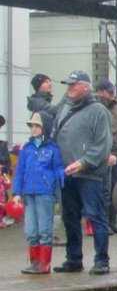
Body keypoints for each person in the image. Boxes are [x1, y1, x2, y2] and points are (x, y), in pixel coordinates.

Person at [49, 71, 112, 275]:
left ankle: (102, 260)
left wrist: (84, 162)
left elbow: (103, 145)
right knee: (69, 218)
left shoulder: (98, 111)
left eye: (73, 85)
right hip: (67, 175)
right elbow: (54, 136)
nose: (69, 88)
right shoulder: (64, 108)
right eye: (68, 85)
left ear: (86, 87)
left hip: (89, 175)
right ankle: (74, 259)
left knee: (95, 216)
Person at [12, 111, 64, 274]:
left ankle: (44, 264)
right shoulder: (26, 149)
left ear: (45, 127)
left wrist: (60, 178)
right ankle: (35, 262)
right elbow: (19, 171)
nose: (33, 129)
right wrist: (16, 193)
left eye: (37, 125)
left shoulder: (53, 149)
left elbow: (58, 168)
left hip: (45, 193)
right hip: (29, 193)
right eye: (32, 126)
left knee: (44, 229)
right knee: (30, 230)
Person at [95, 79, 117, 234]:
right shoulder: (96, 108)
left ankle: (113, 222)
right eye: (109, 92)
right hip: (104, 155)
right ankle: (104, 224)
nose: (112, 94)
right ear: (101, 92)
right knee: (105, 191)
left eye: (113, 91)